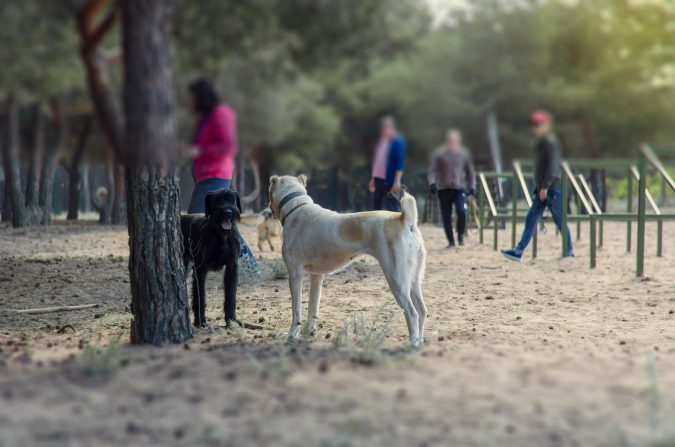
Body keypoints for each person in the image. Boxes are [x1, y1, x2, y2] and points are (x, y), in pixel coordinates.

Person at [183, 78, 258, 272]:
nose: (189, 102)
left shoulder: (221, 114)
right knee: (221, 224)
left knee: (192, 223)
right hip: (204, 176)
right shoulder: (205, 118)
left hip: (215, 175)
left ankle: (187, 271)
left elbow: (228, 145)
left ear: (201, 97)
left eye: (192, 97)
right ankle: (250, 268)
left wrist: (199, 151)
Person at [501, 110, 573, 261]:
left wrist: (546, 186)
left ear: (546, 125)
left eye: (538, 125)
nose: (535, 128)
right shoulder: (540, 143)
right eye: (534, 125)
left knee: (560, 220)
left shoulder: (550, 142)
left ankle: (569, 250)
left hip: (552, 189)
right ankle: (519, 250)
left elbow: (553, 166)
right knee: (531, 218)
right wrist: (541, 187)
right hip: (542, 188)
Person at [427, 129, 476, 247]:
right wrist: (432, 183)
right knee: (446, 215)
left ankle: (460, 235)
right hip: (444, 188)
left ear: (458, 141)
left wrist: (472, 186)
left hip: (459, 188)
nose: (452, 142)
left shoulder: (464, 154)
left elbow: (470, 172)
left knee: (461, 210)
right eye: (450, 140)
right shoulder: (440, 154)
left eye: (454, 140)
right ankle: (451, 241)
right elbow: (432, 170)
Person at [368, 116, 406, 212]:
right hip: (378, 179)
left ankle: (398, 227)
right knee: (376, 207)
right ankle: (377, 226)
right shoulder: (381, 142)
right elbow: (377, 162)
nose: (383, 130)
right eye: (382, 127)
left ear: (391, 128)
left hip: (390, 180)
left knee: (392, 207)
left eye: (385, 127)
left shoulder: (397, 141)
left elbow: (399, 162)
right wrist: (373, 178)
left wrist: (397, 180)